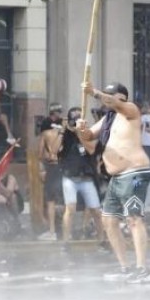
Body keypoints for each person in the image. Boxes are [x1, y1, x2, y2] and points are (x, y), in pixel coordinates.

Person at [77, 81, 150, 284]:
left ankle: (142, 269)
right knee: (109, 221)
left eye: (111, 96)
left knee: (133, 218)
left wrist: (93, 92)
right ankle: (125, 267)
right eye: (106, 95)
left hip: (135, 172)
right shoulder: (108, 118)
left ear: (122, 98)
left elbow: (112, 101)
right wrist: (80, 129)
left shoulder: (130, 110)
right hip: (116, 176)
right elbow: (88, 139)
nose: (107, 99)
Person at [59, 107, 105, 247]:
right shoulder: (65, 135)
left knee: (96, 211)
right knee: (70, 209)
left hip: (86, 178)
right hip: (69, 177)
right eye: (74, 119)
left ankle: (101, 240)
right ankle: (65, 241)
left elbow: (91, 149)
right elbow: (55, 150)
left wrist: (80, 132)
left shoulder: (89, 133)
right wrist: (63, 130)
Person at [37, 102, 65, 241]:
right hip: (65, 168)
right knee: (66, 201)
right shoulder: (66, 131)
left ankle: (52, 231)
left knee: (50, 200)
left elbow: (40, 154)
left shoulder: (45, 133)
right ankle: (66, 231)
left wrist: (42, 167)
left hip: (52, 167)